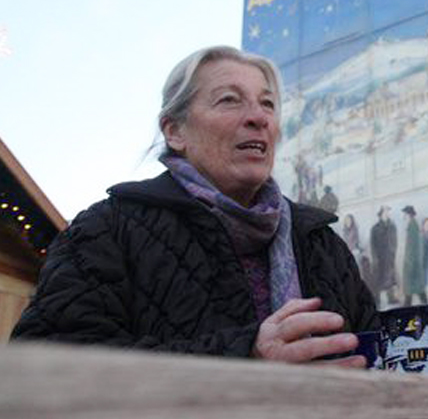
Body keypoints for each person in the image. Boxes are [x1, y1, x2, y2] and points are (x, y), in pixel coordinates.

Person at [13, 46, 377, 364]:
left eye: (267, 103)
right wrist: (246, 357)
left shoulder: (320, 243)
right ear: (175, 131)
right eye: (229, 100)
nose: (259, 117)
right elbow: (44, 362)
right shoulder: (107, 230)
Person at [371, 205, 399, 306]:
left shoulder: (392, 226)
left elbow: (395, 241)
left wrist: (393, 252)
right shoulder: (375, 228)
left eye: (388, 211)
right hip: (379, 257)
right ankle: (377, 300)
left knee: (390, 278)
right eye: (386, 211)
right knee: (378, 279)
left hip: (389, 256)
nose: (387, 213)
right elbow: (373, 245)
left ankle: (391, 298)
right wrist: (375, 258)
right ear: (381, 213)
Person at [401, 205, 427, 306]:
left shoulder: (412, 226)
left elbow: (413, 248)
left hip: (412, 264)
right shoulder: (412, 225)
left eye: (405, 214)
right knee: (415, 289)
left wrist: (410, 264)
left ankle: (407, 307)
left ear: (409, 215)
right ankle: (409, 306)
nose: (403, 217)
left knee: (412, 289)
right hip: (413, 263)